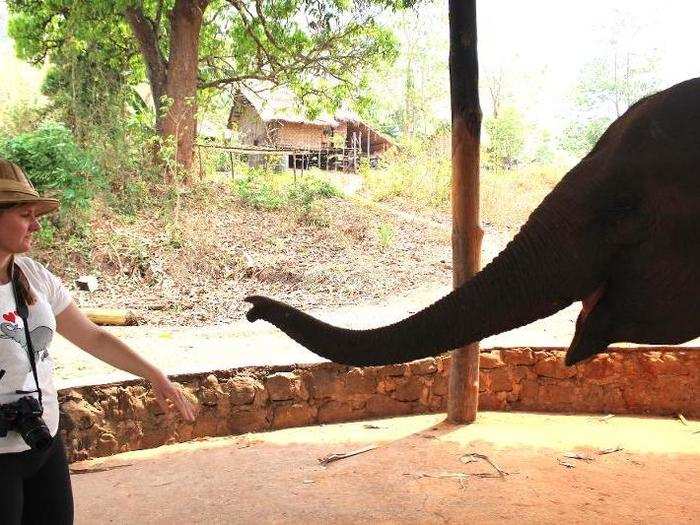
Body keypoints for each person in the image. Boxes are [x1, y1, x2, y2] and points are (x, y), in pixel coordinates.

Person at [0, 157, 196, 524]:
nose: (36, 226)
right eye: (26, 215)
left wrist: (153, 375)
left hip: (43, 439)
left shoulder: (35, 277)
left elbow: (92, 336)